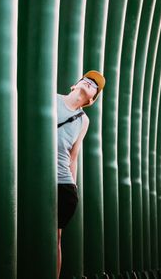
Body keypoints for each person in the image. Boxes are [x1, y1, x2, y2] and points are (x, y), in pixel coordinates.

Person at [57, 70, 105, 278]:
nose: (91, 82)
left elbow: (73, 156)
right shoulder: (52, 99)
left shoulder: (83, 121)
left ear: (92, 100)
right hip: (33, 179)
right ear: (73, 85)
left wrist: (74, 185)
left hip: (62, 184)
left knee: (55, 238)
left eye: (95, 85)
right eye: (87, 79)